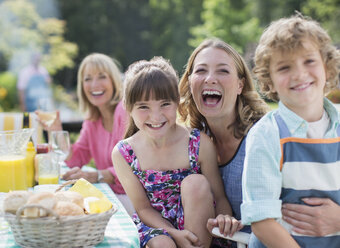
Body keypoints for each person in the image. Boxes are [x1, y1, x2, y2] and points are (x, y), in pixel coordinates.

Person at [112, 57, 240, 248]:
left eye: (165, 104)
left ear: (177, 103)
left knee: (195, 183)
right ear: (129, 108)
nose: (155, 116)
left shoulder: (198, 143)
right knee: (164, 243)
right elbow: (143, 208)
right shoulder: (125, 153)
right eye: (144, 107)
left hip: (199, 224)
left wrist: (223, 216)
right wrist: (173, 233)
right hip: (155, 226)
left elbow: (219, 196)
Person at [241, 14, 340, 247]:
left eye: (309, 61)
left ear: (326, 65)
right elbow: (262, 221)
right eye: (284, 67)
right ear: (270, 81)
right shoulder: (267, 134)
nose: (299, 73)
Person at [178, 38, 269, 242]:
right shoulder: (192, 142)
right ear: (190, 81)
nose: (210, 78)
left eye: (223, 71)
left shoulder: (263, 136)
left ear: (240, 85)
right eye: (201, 70)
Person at [37, 53, 134, 215]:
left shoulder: (123, 111)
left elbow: (133, 164)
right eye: (87, 79)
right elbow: (75, 158)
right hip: (114, 195)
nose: (94, 84)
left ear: (115, 81)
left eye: (102, 77)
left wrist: (97, 175)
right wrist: (56, 131)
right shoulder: (92, 120)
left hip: (133, 198)